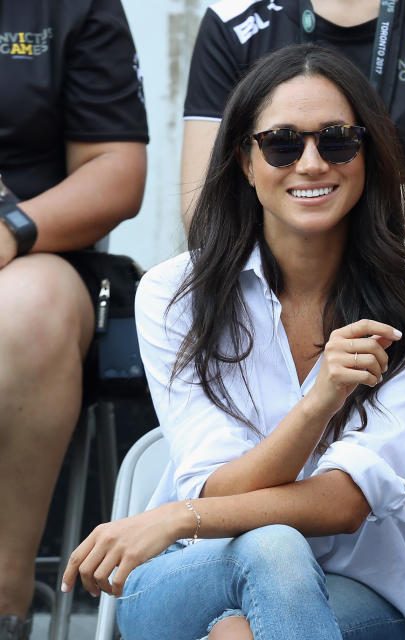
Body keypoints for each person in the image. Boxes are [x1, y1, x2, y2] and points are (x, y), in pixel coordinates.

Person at [62, 43, 405, 639]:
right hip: (193, 575)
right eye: (282, 143)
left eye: (336, 140)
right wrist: (318, 402)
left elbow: (344, 503)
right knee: (273, 548)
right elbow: (217, 485)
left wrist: (178, 517)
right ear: (246, 162)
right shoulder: (175, 294)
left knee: (241, 630)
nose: (311, 163)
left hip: (359, 595)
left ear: (368, 154)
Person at [179, 0, 405, 452]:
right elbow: (203, 206)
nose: (308, 161)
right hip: (284, 266)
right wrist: (358, 224)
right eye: (284, 144)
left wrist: (374, 222)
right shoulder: (234, 18)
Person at [0, 1, 148, 638]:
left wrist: (12, 229)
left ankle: (5, 601)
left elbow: (117, 173)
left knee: (28, 309)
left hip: (33, 255)